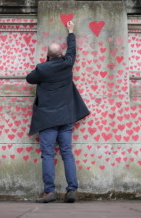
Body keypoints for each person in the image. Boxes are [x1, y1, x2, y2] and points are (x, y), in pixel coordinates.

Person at [26, 21, 90, 203]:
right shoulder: (67, 63)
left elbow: (30, 79)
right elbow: (72, 51)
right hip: (65, 119)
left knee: (47, 155)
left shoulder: (41, 69)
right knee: (67, 153)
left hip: (47, 120)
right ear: (61, 54)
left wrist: (45, 64)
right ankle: (71, 191)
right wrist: (71, 32)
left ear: (47, 55)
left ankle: (49, 192)